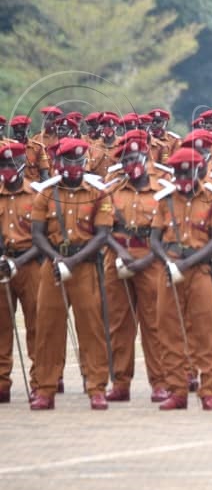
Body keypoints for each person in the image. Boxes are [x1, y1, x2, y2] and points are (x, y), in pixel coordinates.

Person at [30, 137, 114, 409]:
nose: (75, 167)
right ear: (59, 163)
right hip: (53, 267)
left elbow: (102, 235)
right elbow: (37, 234)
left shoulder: (97, 192)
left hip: (85, 266)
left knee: (91, 329)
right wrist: (56, 259)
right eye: (70, 161)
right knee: (48, 329)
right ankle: (45, 388)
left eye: (79, 161)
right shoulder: (46, 193)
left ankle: (96, 387)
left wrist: (74, 260)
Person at [150, 147, 212, 410]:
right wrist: (169, 262)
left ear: (198, 171)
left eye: (187, 172)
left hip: (200, 271)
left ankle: (208, 390)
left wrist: (187, 263)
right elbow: (154, 239)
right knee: (169, 332)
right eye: (178, 172)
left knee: (205, 331)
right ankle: (177, 390)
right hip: (171, 271)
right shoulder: (166, 200)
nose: (182, 177)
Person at [103, 132, 168, 403]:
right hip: (118, 258)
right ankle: (120, 383)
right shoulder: (112, 189)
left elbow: (166, 233)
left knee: (154, 324)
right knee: (119, 324)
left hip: (150, 259)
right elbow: (104, 230)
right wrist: (121, 254)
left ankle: (160, 383)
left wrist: (146, 258)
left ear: (146, 156)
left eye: (136, 157)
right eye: (126, 159)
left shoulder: (163, 188)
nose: (132, 163)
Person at [0, 142, 43, 402]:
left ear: (23, 164)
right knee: (1, 328)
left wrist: (19, 260)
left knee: (37, 326)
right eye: (3, 165)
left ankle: (40, 382)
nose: (7, 169)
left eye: (12, 164)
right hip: (2, 267)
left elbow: (42, 238)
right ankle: (2, 383)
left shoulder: (37, 195)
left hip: (29, 265)